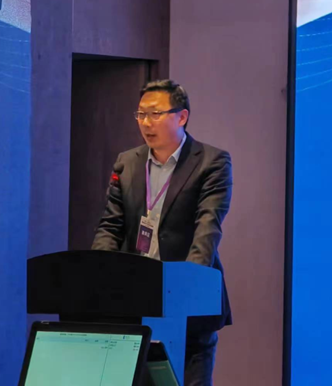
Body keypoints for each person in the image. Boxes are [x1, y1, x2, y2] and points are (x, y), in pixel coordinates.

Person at [92, 79, 233, 386]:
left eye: (155, 114)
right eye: (141, 114)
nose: (146, 123)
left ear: (181, 117)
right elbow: (111, 226)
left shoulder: (211, 162)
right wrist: (100, 276)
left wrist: (186, 285)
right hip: (134, 299)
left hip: (187, 305)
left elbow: (207, 227)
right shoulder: (127, 163)